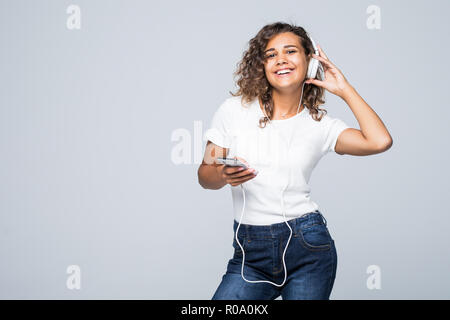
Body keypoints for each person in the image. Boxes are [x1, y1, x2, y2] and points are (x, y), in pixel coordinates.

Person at [197, 22, 393, 300]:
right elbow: (205, 175)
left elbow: (379, 141)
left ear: (310, 63)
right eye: (271, 54)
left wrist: (345, 89)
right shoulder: (233, 110)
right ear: (262, 65)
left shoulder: (321, 125)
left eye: (291, 51)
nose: (281, 60)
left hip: (308, 249)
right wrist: (224, 175)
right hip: (250, 255)